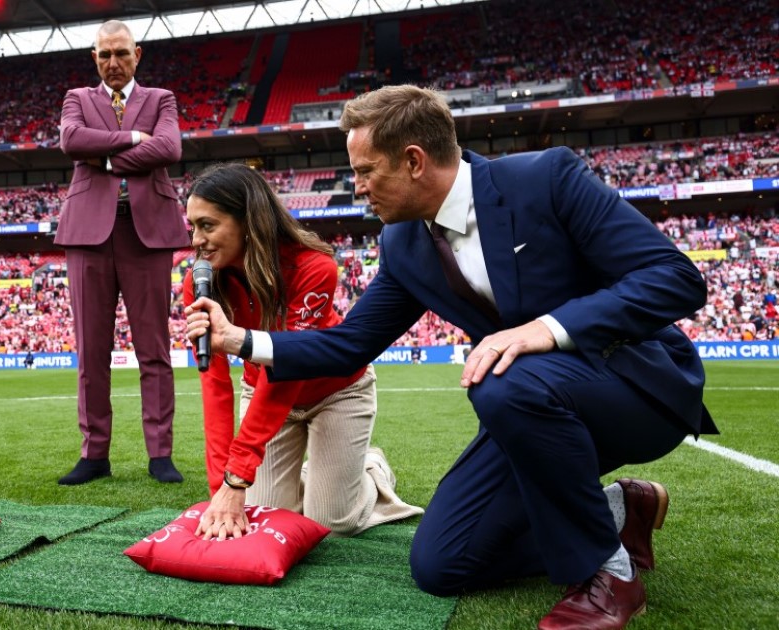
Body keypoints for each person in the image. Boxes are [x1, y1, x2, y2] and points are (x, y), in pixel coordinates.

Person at [186, 85, 716, 630]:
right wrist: (241, 341)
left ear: (414, 161)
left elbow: (675, 278)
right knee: (441, 563)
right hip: (530, 404)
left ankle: (610, 574)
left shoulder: (545, 179)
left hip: (634, 388)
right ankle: (618, 511)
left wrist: (545, 330)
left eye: (366, 171)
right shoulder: (404, 244)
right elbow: (350, 343)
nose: (358, 187)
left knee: (502, 379)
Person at [181, 163, 422, 541]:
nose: (196, 240)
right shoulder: (200, 282)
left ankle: (372, 469)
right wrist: (221, 489)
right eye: (192, 227)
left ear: (248, 222)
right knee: (266, 517)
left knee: (333, 523)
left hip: (336, 392)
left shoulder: (313, 267)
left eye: (207, 225)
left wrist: (238, 475)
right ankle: (321, 475)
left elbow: (289, 369)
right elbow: (214, 387)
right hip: (260, 392)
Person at [55, 19, 189, 485]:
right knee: (91, 351)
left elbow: (170, 147)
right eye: (105, 54)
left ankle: (160, 454)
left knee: (154, 350)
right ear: (95, 58)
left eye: (122, 53)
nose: (114, 62)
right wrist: (135, 141)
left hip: (147, 233)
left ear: (138, 54)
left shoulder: (161, 99)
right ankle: (94, 454)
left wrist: (104, 158)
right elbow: (71, 141)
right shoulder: (77, 98)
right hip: (87, 235)